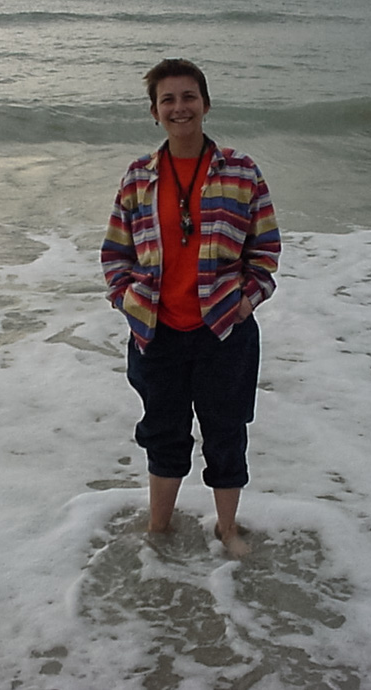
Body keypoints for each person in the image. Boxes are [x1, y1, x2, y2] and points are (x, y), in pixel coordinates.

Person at [101, 58, 280, 557]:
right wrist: (127, 301)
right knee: (162, 434)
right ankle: (159, 529)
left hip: (224, 331)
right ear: (154, 112)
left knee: (226, 434)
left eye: (188, 97)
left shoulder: (242, 171)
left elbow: (265, 250)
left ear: (205, 103)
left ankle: (227, 529)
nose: (179, 108)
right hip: (156, 333)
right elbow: (115, 252)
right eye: (168, 100)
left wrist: (245, 303)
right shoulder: (139, 176)